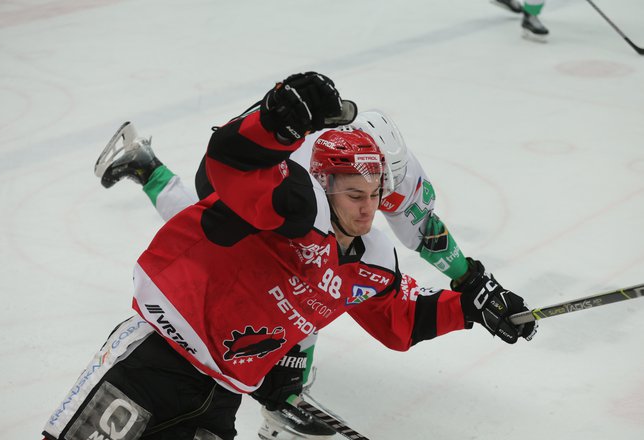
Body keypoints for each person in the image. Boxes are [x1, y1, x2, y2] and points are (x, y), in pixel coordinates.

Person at [43, 72, 537, 440]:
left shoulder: (376, 225)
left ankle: (283, 384)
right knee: (219, 212)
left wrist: (473, 299)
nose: (370, 209)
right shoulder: (298, 193)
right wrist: (276, 119)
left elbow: (398, 314)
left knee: (311, 276)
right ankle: (149, 168)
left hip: (219, 393)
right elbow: (231, 158)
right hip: (158, 358)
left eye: (377, 193)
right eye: (356, 194)